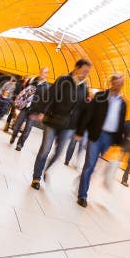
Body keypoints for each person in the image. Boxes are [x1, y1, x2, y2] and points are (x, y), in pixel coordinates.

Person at [30, 59, 91, 190]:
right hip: (52, 120)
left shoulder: (84, 88)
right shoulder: (63, 80)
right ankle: (36, 177)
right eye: (84, 70)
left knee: (58, 153)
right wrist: (40, 111)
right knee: (45, 149)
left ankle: (46, 169)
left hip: (69, 126)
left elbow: (83, 110)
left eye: (88, 72)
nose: (86, 74)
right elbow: (49, 95)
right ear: (76, 68)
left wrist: (79, 131)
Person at [75, 74, 127, 207]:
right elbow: (89, 114)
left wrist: (120, 143)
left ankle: (79, 183)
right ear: (112, 82)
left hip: (111, 139)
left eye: (121, 83)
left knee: (104, 168)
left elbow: (121, 123)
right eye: (116, 82)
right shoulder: (100, 96)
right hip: (96, 135)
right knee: (90, 165)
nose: (118, 85)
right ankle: (82, 195)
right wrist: (80, 131)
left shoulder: (123, 103)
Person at [10, 68, 50, 151]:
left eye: (45, 73)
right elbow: (23, 91)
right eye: (42, 72)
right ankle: (13, 136)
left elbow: (46, 101)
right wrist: (18, 100)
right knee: (17, 125)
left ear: (47, 74)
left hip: (35, 112)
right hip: (25, 108)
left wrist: (42, 113)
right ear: (40, 72)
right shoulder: (32, 81)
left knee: (27, 129)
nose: (42, 74)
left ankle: (20, 145)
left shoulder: (46, 87)